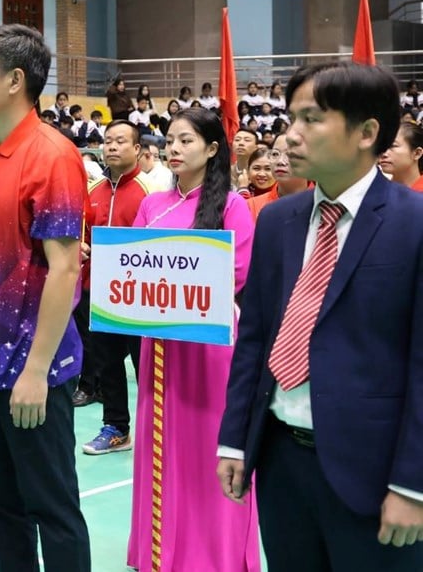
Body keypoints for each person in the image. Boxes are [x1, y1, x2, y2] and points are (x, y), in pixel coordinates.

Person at [218, 63, 423, 572]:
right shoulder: (277, 221)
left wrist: (412, 484)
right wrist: (235, 439)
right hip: (282, 461)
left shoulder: (413, 223)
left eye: (311, 119)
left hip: (375, 474)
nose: (290, 134)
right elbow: (257, 339)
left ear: (367, 132)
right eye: (291, 117)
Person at [0, 24, 91, 571]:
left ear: (14, 80)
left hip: (35, 372)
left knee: (52, 506)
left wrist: (35, 371)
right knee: (0, 503)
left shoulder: (53, 156)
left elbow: (64, 269)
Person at [127, 107, 259, 571]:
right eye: (169, 140)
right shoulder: (151, 205)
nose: (174, 149)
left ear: (211, 148)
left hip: (208, 348)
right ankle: (160, 549)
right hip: (159, 347)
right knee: (161, 447)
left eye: (185, 140)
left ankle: (212, 554)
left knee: (208, 449)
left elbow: (238, 272)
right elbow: (133, 267)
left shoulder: (232, 206)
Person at [80, 121, 151, 453]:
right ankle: (116, 428)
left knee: (146, 367)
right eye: (107, 141)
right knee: (106, 364)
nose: (111, 146)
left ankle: (156, 431)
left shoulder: (150, 193)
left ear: (137, 149)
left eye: (120, 141)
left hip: (141, 300)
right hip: (100, 296)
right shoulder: (92, 191)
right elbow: (80, 238)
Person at [246, 133, 312, 221]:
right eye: (275, 154)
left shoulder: (325, 206)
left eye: (290, 154)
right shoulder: (251, 205)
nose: (280, 161)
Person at [379, 121, 423, 192]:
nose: (384, 153)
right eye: (382, 146)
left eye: (393, 146)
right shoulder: (378, 190)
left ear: (417, 153)